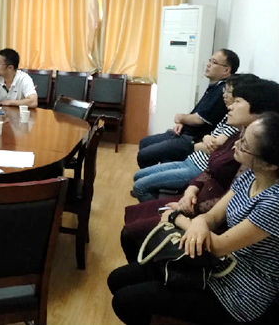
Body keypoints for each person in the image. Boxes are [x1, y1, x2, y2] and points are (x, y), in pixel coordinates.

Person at [109, 112, 279, 325]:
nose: (236, 144)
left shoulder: (274, 203)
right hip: (214, 266)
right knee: (116, 279)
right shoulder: (251, 175)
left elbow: (219, 246)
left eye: (245, 145)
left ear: (270, 165)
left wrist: (176, 218)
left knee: (125, 301)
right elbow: (213, 216)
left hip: (238, 293)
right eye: (241, 136)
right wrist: (199, 222)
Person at [122, 77, 279, 262]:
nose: (230, 105)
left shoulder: (254, 160)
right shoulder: (239, 139)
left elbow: (222, 226)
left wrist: (184, 214)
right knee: (133, 222)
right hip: (197, 204)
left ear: (261, 112)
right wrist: (191, 192)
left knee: (134, 229)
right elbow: (210, 169)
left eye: (237, 101)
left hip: (203, 218)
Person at [131, 74, 261, 202]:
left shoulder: (237, 123)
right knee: (138, 175)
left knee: (140, 185)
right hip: (191, 159)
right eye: (224, 91)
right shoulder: (228, 115)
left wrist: (202, 141)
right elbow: (207, 140)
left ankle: (155, 208)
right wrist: (205, 138)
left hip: (196, 168)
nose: (224, 95)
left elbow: (212, 146)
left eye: (230, 93)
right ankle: (154, 198)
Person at [137, 49, 239, 169]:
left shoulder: (222, 91)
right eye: (210, 60)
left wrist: (180, 117)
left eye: (214, 62)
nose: (208, 64)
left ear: (226, 70)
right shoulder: (215, 86)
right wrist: (182, 122)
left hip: (192, 139)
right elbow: (197, 113)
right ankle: (154, 173)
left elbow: (198, 119)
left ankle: (151, 176)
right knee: (145, 142)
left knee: (144, 155)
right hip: (184, 132)